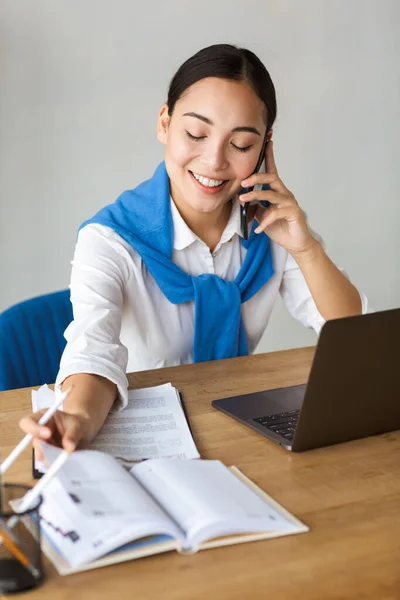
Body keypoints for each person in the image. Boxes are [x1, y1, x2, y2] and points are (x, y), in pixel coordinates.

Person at [20, 43, 368, 456]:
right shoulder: (110, 239)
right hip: (143, 442)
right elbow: (94, 353)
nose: (213, 160)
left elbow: (353, 340)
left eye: (240, 144)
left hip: (231, 433)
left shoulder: (271, 229)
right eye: (196, 134)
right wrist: (75, 417)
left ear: (264, 149)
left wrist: (306, 249)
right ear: (164, 123)